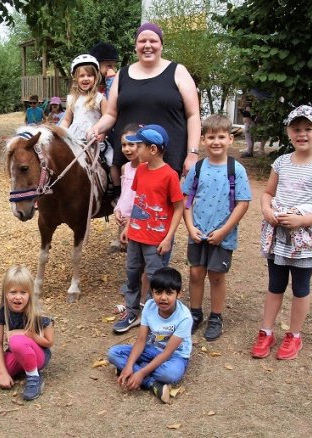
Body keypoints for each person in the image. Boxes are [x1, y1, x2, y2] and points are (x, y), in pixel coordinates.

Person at [251, 105, 312, 360]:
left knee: (300, 287)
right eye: (296, 129)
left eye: (307, 129)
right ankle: (266, 330)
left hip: (304, 240)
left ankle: (294, 335)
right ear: (289, 132)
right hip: (278, 235)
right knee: (275, 284)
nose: (301, 134)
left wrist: (304, 221)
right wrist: (266, 208)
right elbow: (268, 193)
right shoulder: (281, 162)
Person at [87, 22, 202, 179]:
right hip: (129, 161)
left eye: (153, 41)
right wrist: (96, 128)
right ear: (135, 46)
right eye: (142, 41)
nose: (147, 45)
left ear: (161, 45)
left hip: (168, 160)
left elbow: (193, 115)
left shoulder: (178, 72)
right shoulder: (122, 74)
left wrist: (192, 154)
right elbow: (111, 114)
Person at [181, 114, 252, 341]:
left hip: (223, 234)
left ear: (230, 139)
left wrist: (224, 231)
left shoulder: (236, 169)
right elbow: (186, 200)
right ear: (203, 140)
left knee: (217, 275)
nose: (216, 142)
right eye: (211, 137)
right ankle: (195, 313)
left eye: (221, 137)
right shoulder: (197, 168)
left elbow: (243, 203)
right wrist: (190, 227)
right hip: (198, 232)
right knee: (195, 273)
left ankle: (216, 316)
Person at [112, 124, 184, 334]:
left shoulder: (169, 175)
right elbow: (139, 201)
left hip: (156, 239)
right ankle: (132, 311)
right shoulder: (141, 170)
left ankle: (157, 317)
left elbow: (179, 207)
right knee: (132, 274)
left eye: (139, 145)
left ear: (152, 149)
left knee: (156, 278)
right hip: (135, 235)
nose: (135, 150)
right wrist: (127, 226)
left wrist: (169, 237)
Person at [106, 267, 192, 404]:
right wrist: (129, 365)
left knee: (170, 374)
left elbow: (168, 352)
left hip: (175, 356)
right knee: (113, 353)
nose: (163, 298)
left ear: (179, 294)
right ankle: (152, 384)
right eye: (158, 292)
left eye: (169, 293)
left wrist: (140, 373)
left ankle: (139, 370)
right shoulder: (149, 307)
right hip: (152, 349)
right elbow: (140, 341)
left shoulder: (185, 317)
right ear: (151, 293)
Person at [0, 266, 54, 401]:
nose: (18, 297)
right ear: (5, 293)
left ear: (30, 293)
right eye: (13, 292)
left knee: (16, 340)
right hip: (15, 353)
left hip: (38, 356)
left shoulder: (38, 313)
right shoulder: (1, 312)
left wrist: (27, 334)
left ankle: (33, 377)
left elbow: (49, 342)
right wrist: (2, 373)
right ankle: (22, 369)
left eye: (23, 292)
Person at [59, 54, 117, 186]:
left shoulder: (100, 98)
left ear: (95, 77)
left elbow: (107, 118)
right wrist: (61, 132)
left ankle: (114, 188)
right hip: (75, 139)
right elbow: (67, 120)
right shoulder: (72, 99)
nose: (85, 79)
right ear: (76, 78)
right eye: (82, 76)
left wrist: (103, 133)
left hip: (95, 139)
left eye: (89, 75)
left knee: (111, 160)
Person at [110, 123, 141, 253]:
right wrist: (117, 209)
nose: (126, 149)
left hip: (139, 221)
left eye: (131, 145)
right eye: (124, 145)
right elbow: (124, 194)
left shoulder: (146, 169)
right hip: (124, 220)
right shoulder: (124, 168)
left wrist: (133, 219)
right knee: (131, 260)